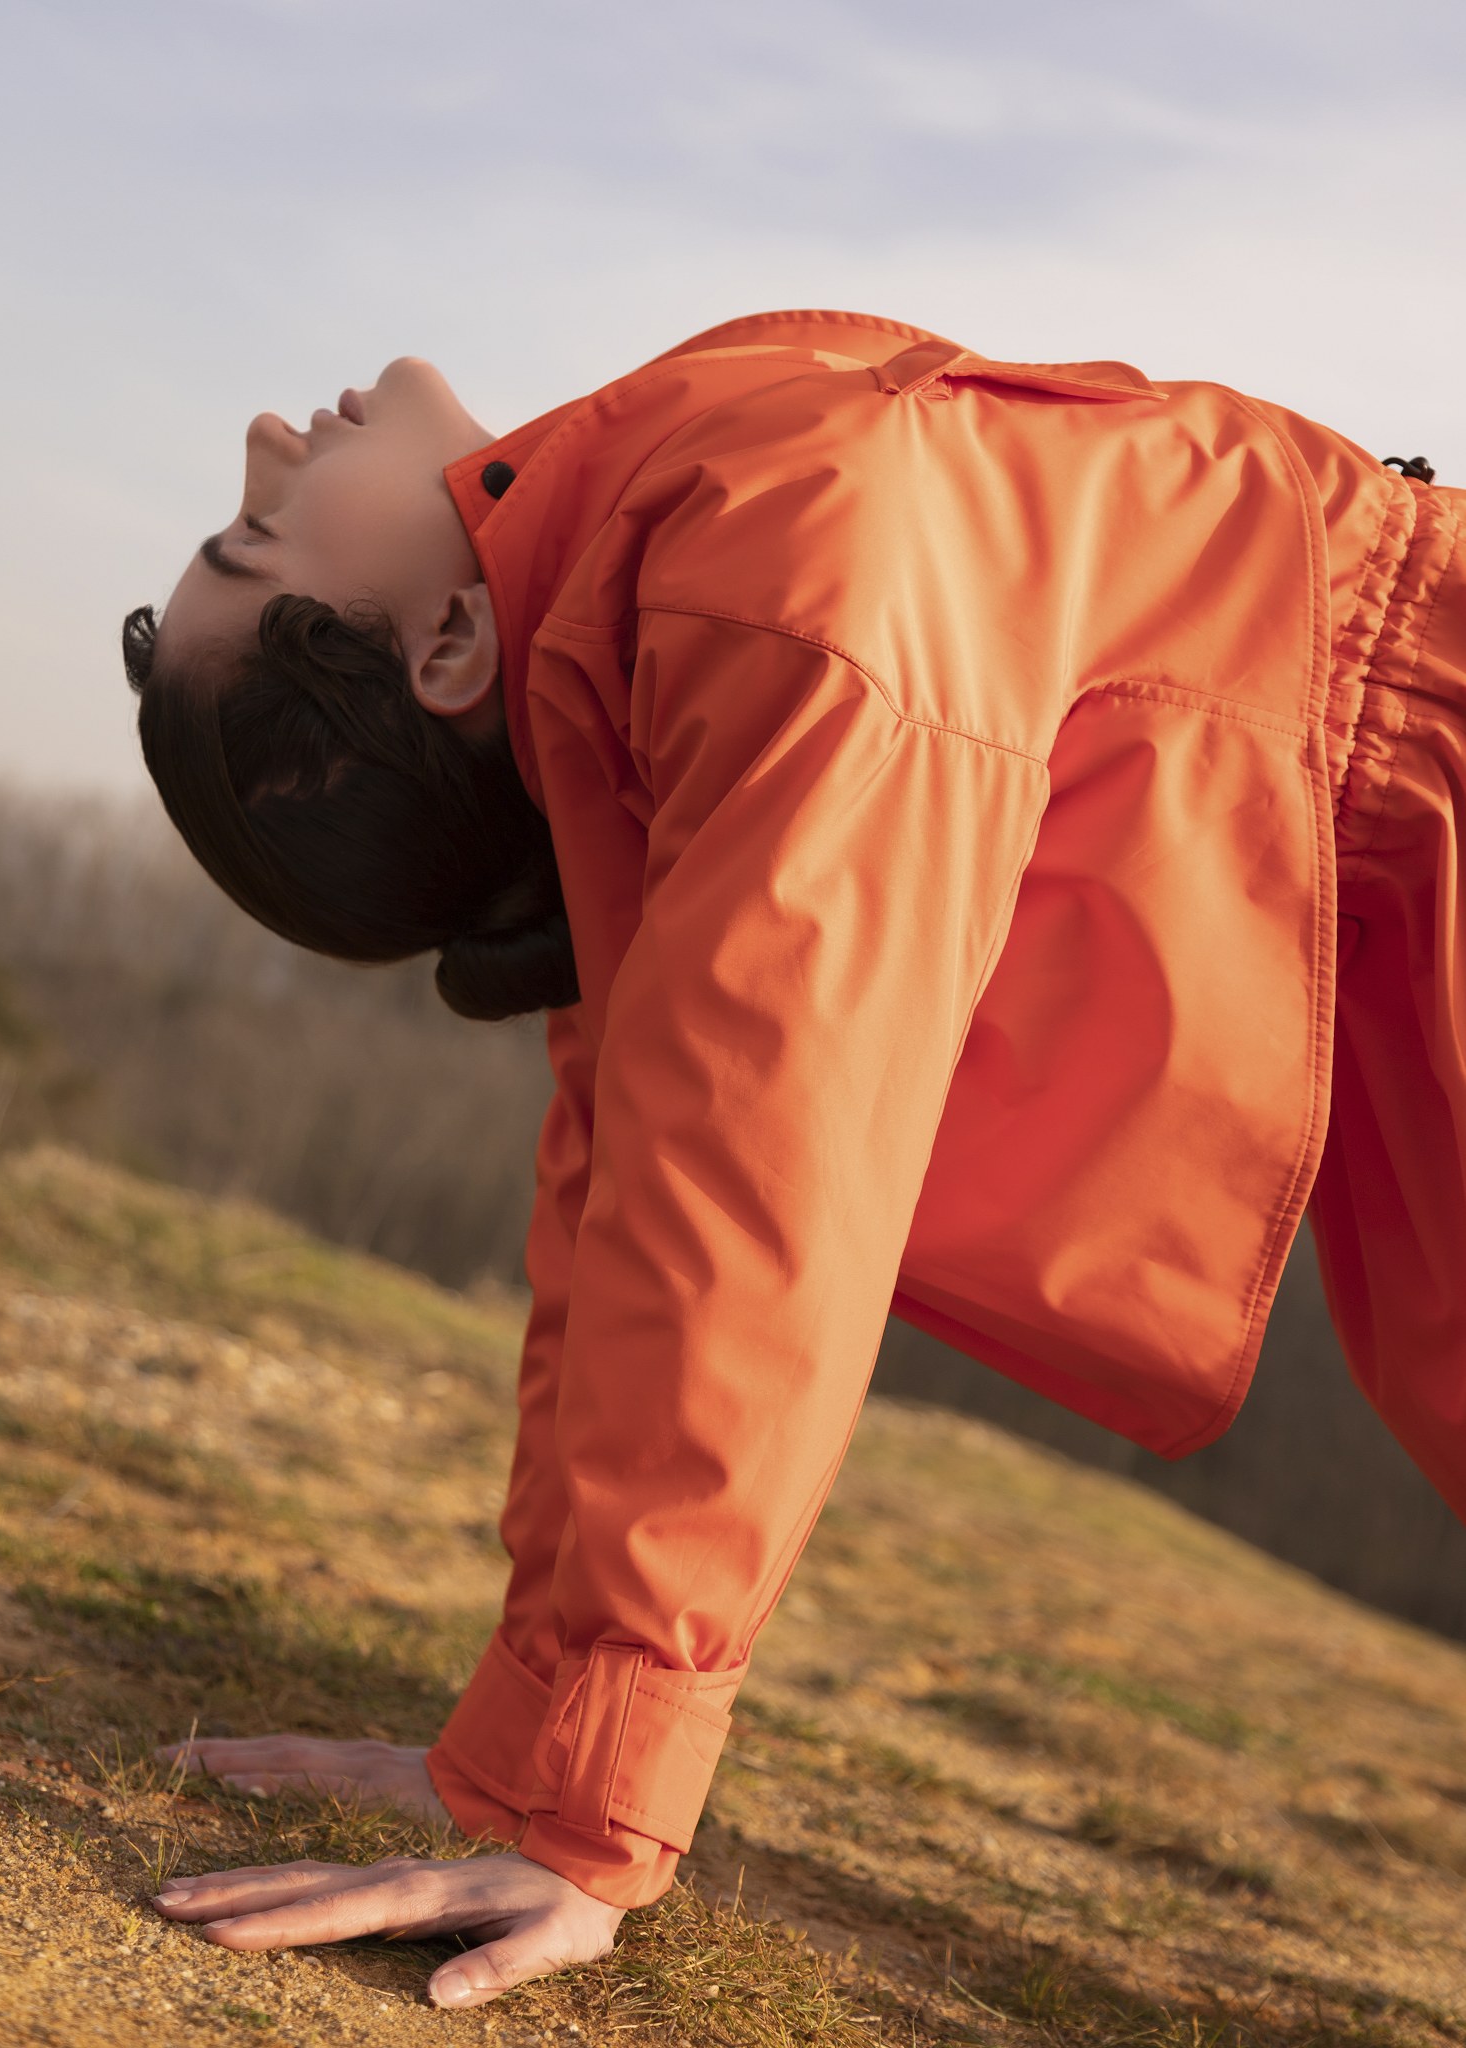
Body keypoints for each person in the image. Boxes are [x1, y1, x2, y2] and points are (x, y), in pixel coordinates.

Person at [124, 308, 1464, 2010]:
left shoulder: (684, 560)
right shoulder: (736, 585)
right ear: (449, 641)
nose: (267, 438)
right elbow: (705, 1199)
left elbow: (714, 1186)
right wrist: (541, 1770)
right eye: (259, 535)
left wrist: (561, 1768)